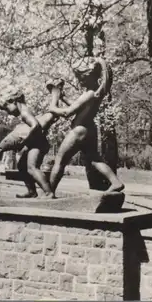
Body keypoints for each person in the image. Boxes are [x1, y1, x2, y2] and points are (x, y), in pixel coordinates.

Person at [48, 57, 124, 198]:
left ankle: (48, 193)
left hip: (79, 131)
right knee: (95, 160)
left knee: (60, 160)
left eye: (81, 78)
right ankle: (115, 182)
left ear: (89, 76)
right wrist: (63, 97)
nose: (79, 81)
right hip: (89, 130)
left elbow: (67, 112)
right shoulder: (94, 92)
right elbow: (77, 107)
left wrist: (53, 102)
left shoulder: (88, 94)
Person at [0, 83, 63, 198]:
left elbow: (35, 126)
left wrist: (23, 142)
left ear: (13, 101)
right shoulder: (24, 112)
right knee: (22, 166)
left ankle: (49, 193)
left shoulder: (24, 113)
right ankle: (32, 191)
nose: (8, 112)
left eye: (7, 108)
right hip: (35, 142)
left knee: (32, 167)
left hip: (38, 143)